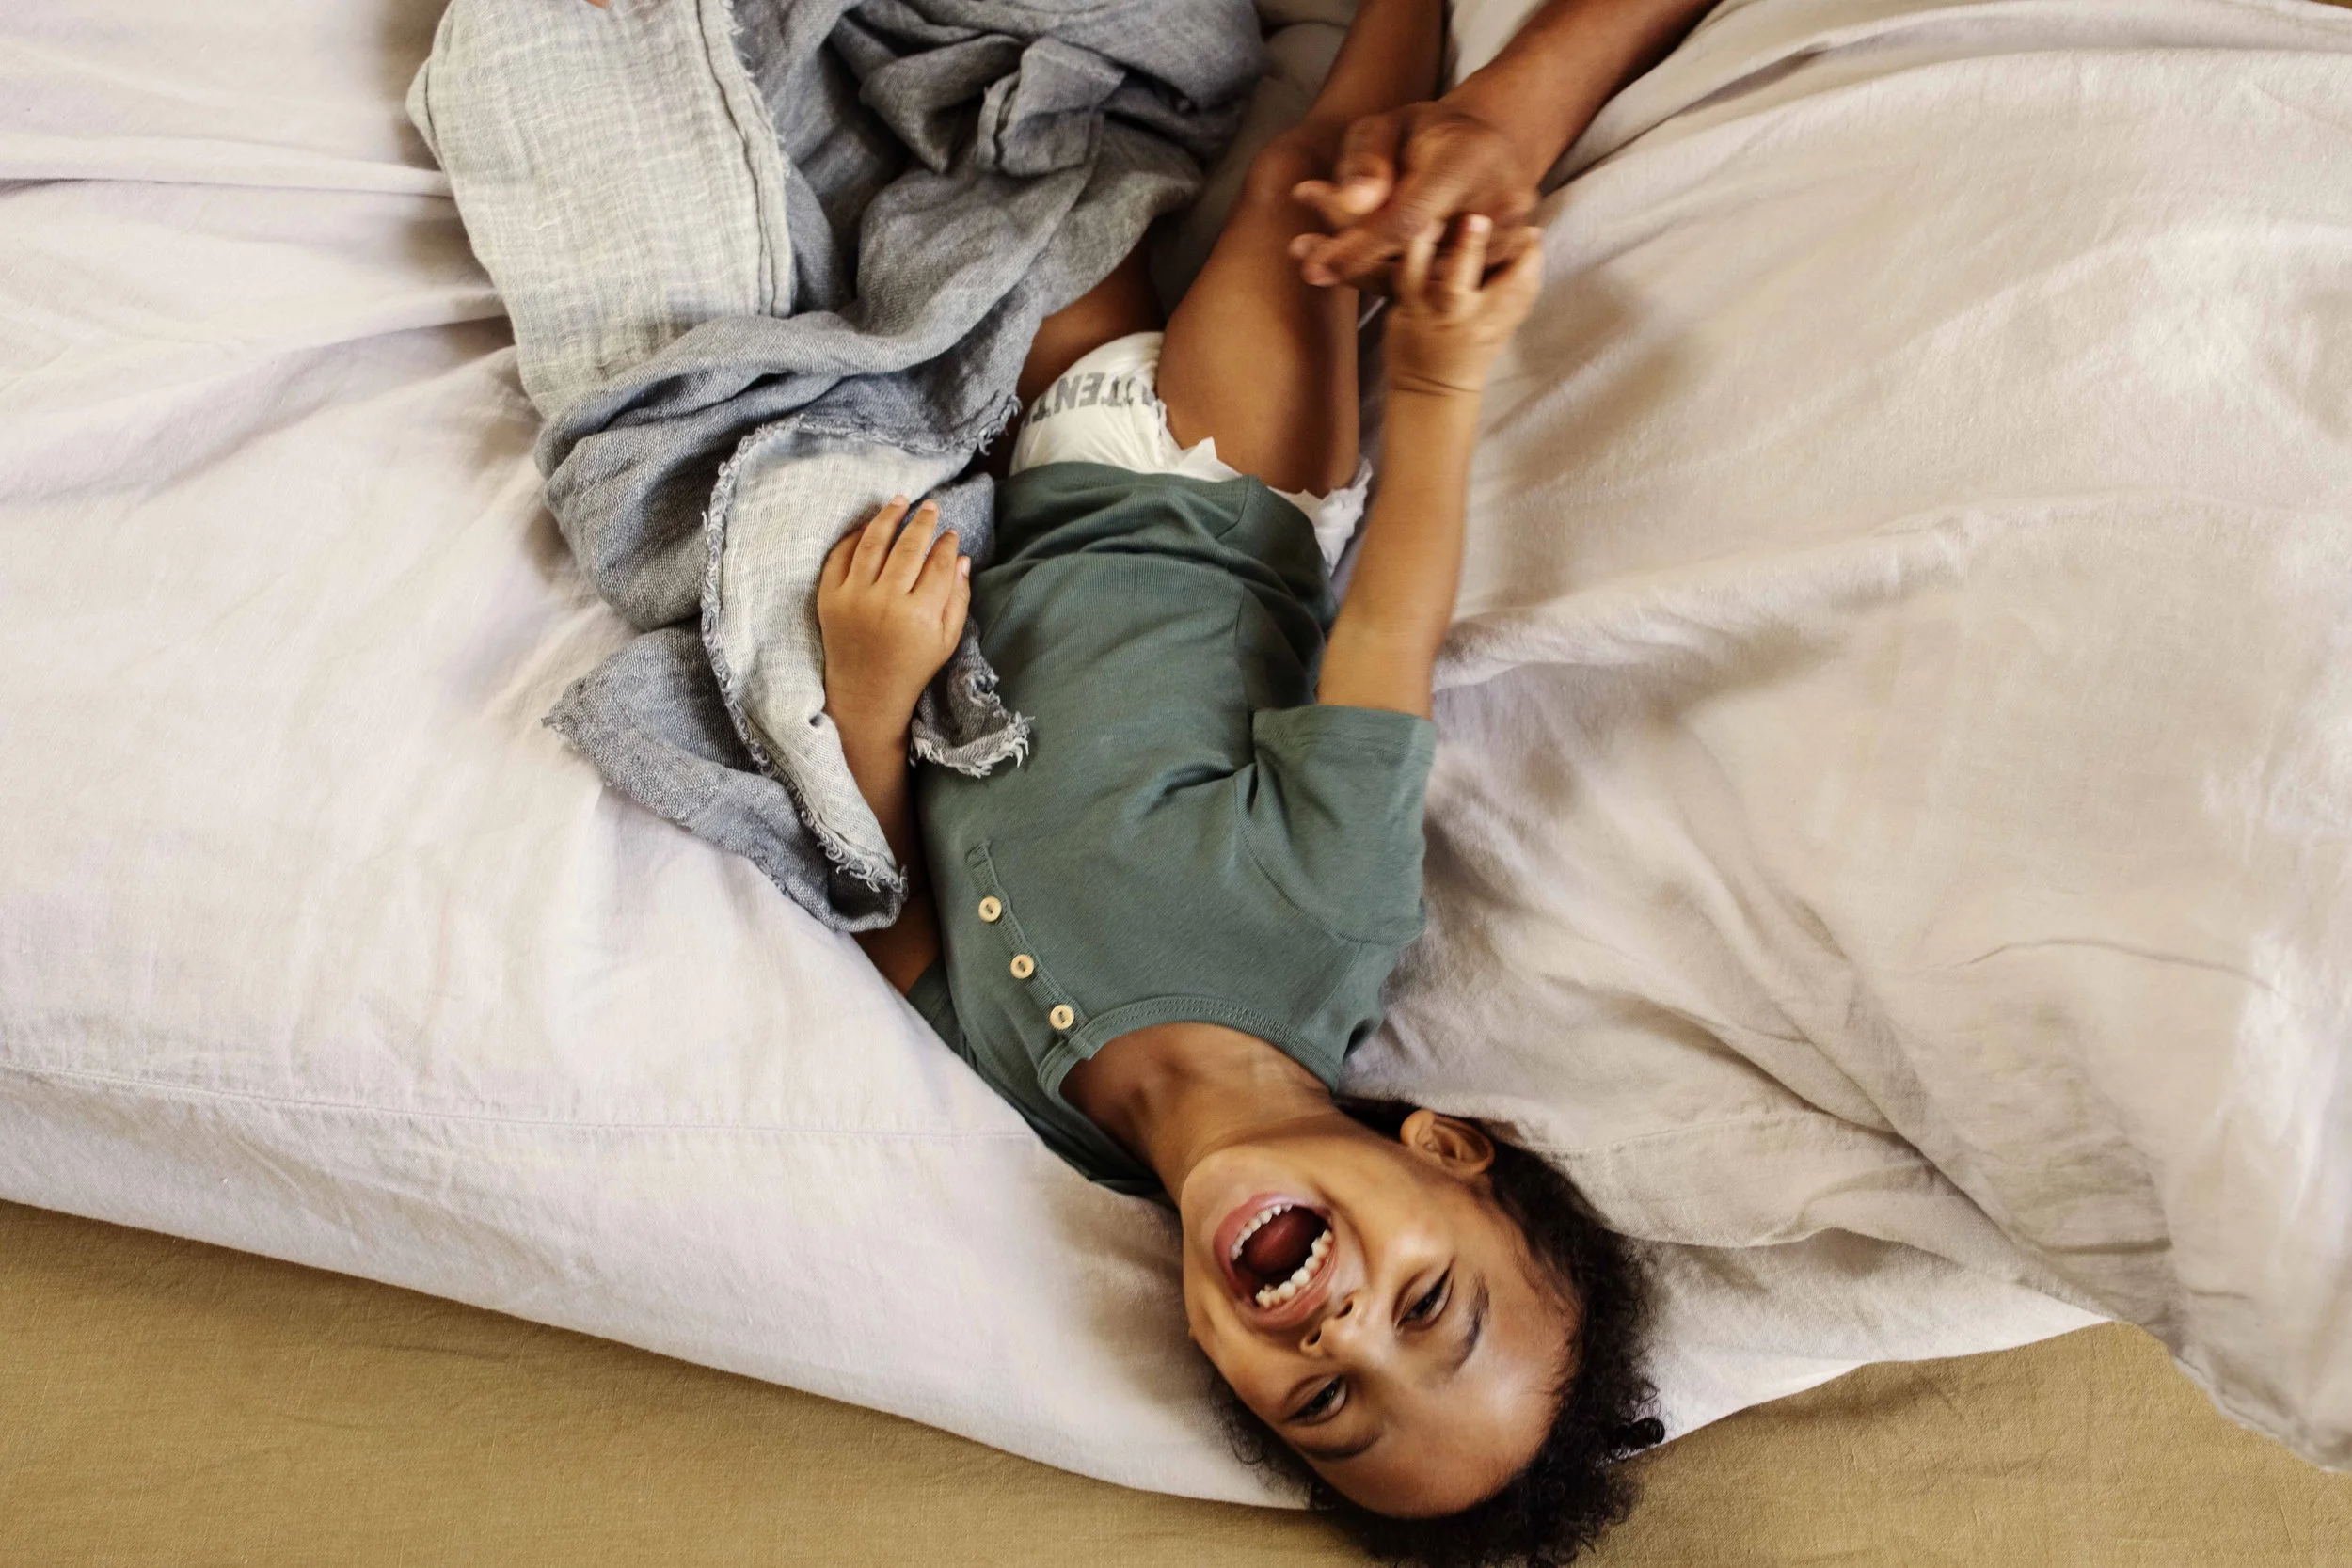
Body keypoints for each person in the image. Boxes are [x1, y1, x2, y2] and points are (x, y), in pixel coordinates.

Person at [815, 2, 1708, 1560]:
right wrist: (1432, 381)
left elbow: (903, 935)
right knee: (1310, 184)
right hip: (1218, 482)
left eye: (1323, 1403)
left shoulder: (1054, 1116)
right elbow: (1384, 643)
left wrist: (871, 704)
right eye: (1429, 1302)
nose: (1341, 1328)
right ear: (1439, 1148)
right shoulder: (1318, 923)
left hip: (1037, 468)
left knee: (955, 176)